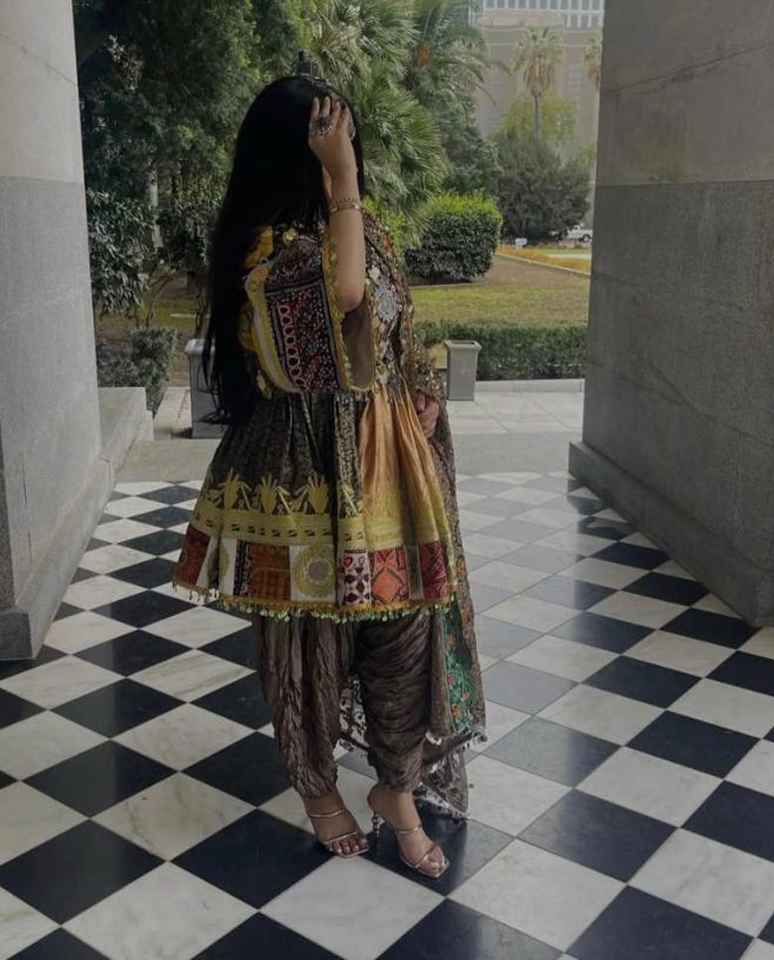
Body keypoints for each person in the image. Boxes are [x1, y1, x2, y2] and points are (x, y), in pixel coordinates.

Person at [173, 71, 485, 880]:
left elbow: (394, 325)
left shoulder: (361, 224)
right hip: (303, 476)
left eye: (346, 138)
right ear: (296, 152)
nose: (344, 151)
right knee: (308, 645)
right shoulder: (266, 251)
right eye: (326, 138)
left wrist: (420, 387)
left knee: (406, 634)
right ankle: (316, 789)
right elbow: (341, 312)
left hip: (387, 468)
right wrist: (343, 179)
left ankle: (396, 788)